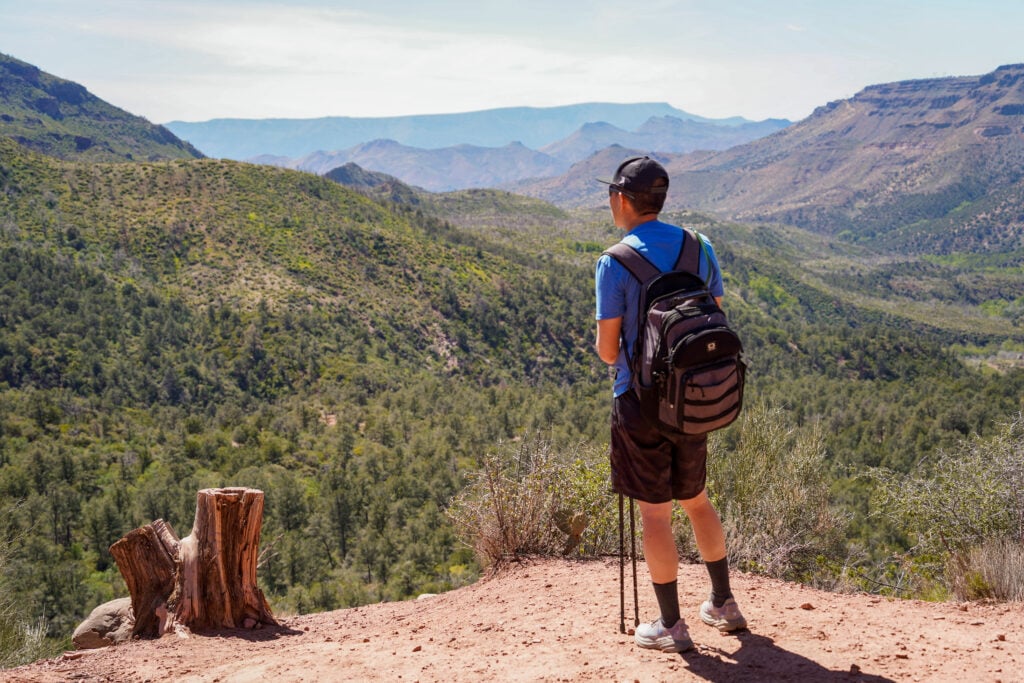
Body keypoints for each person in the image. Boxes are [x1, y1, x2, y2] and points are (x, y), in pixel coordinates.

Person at [594, 156, 746, 653]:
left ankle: (670, 625)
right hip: (693, 399)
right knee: (697, 500)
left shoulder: (614, 261)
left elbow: (608, 351)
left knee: (656, 514)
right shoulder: (699, 246)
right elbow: (714, 319)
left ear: (622, 199)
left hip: (639, 403)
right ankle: (723, 603)